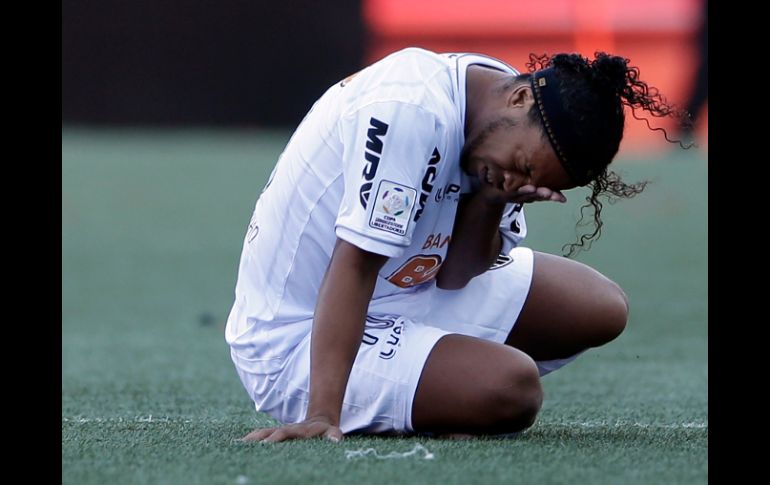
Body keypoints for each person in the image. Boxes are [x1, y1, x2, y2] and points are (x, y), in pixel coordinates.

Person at [225, 47, 686, 442]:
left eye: (531, 182)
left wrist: (492, 198)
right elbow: (356, 266)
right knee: (512, 389)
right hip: (299, 338)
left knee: (601, 306)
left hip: (400, 292)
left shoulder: (499, 104)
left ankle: (434, 390)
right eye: (523, 166)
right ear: (520, 96)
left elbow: (454, 275)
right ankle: (414, 395)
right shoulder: (411, 110)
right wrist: (322, 415)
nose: (515, 181)